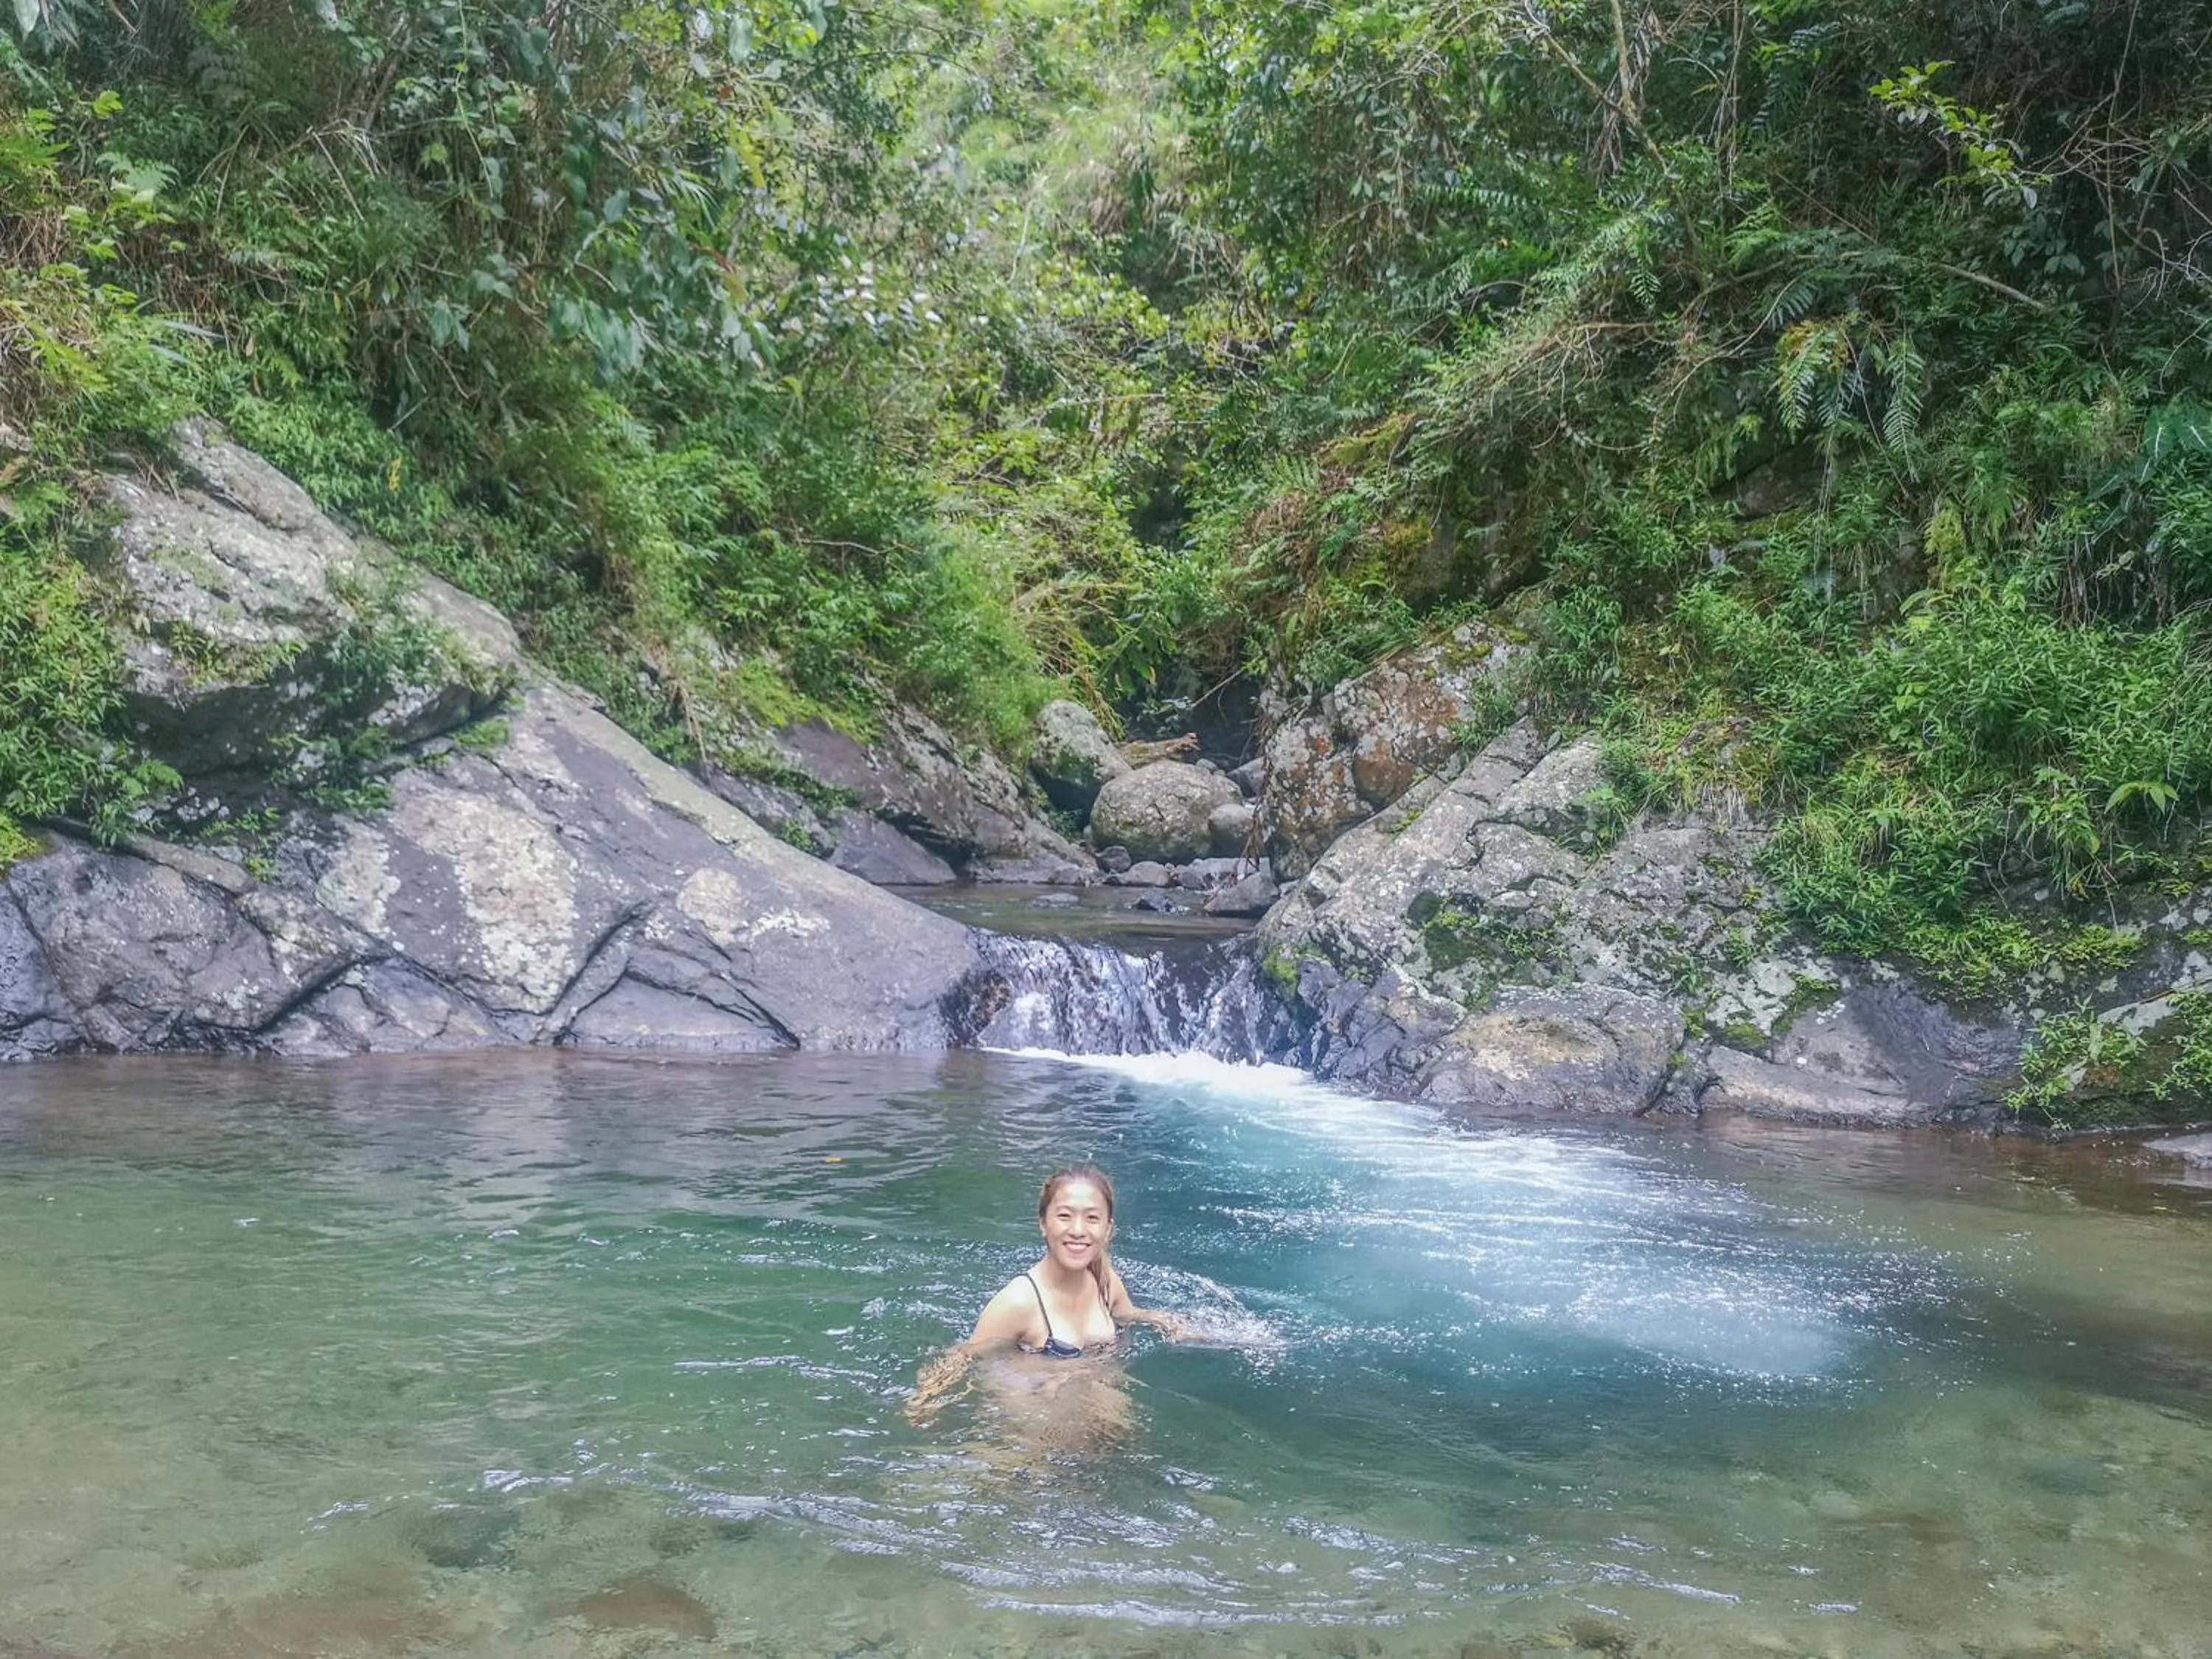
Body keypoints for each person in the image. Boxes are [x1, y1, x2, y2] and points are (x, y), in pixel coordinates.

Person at [905, 1164, 1190, 1427]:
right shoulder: (1019, 1302)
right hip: (1035, 1435)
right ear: (1043, 1223)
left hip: (1100, 1429)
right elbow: (962, 1357)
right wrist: (924, 1402)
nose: (1078, 1230)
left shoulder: (1105, 1281)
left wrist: (1163, 1321)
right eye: (1064, 1216)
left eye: (1092, 1218)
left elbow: (1126, 1315)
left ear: (1107, 1229)